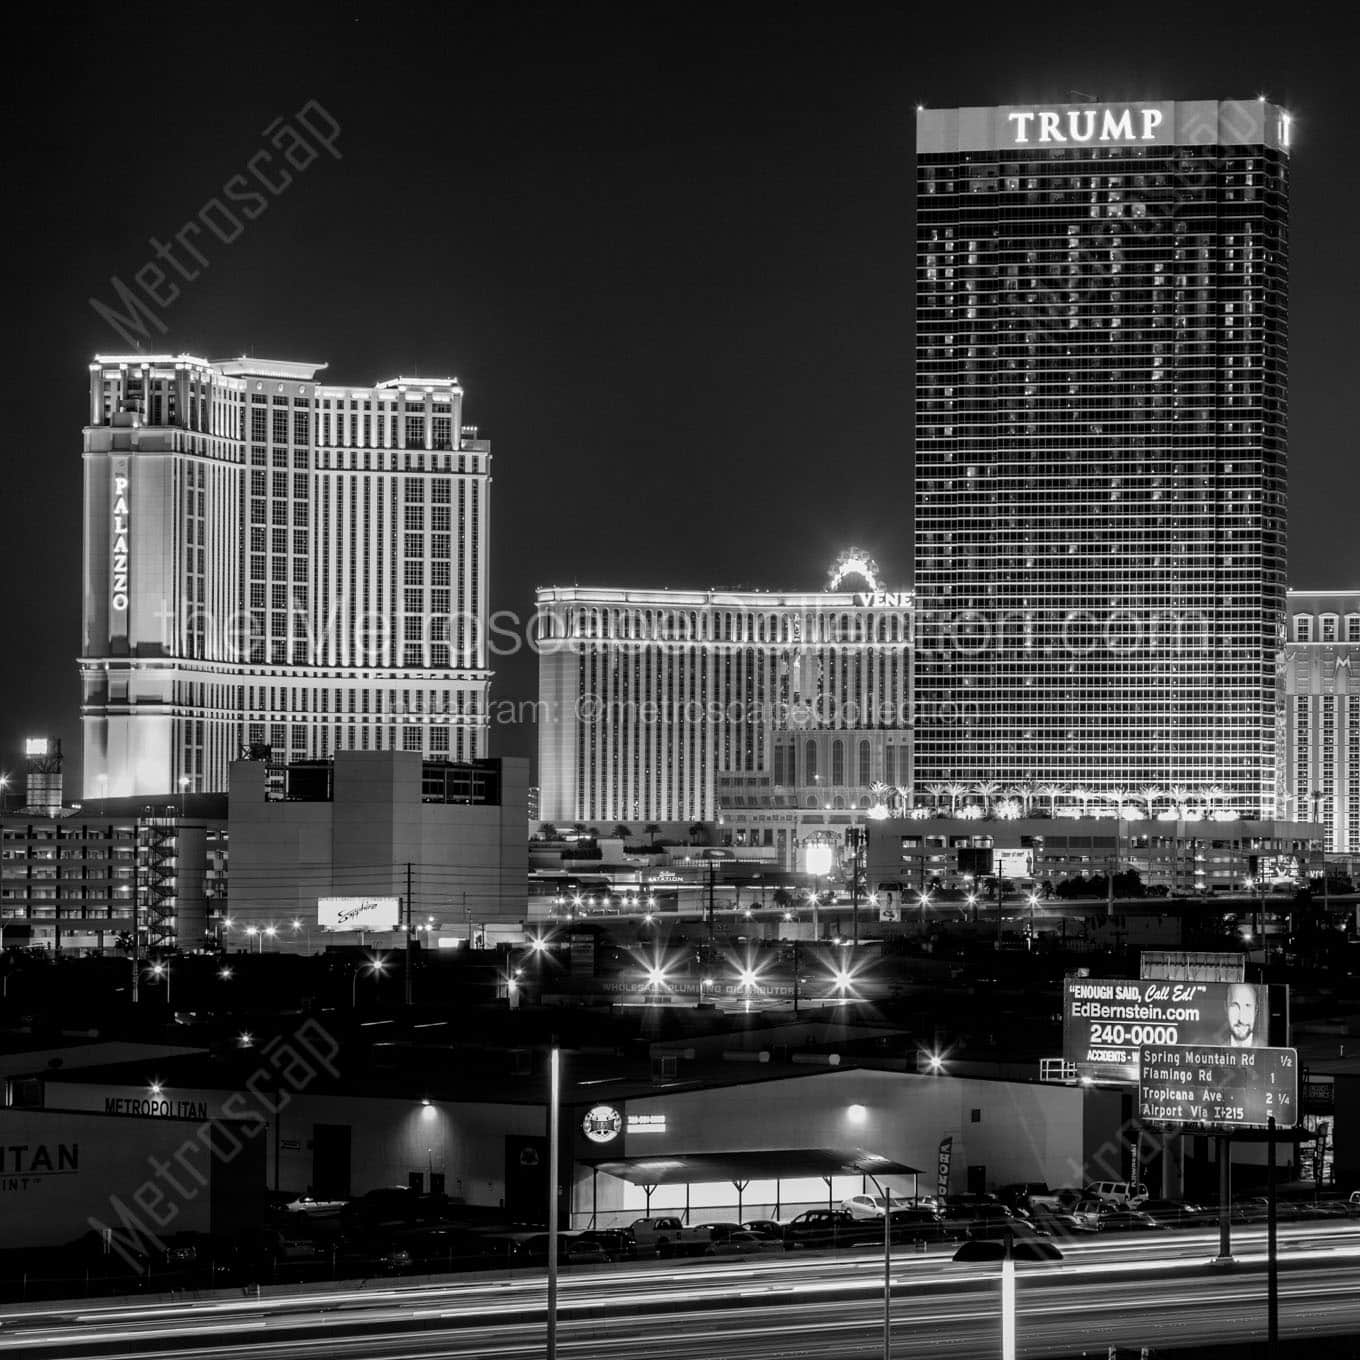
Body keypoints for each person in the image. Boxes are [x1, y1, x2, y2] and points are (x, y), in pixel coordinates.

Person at [1222, 983, 1262, 1048]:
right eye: (1235, 1006)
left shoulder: (1266, 1047)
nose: (1241, 1019)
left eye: (1248, 1006)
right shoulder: (1215, 1047)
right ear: (1226, 1008)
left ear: (1256, 1010)